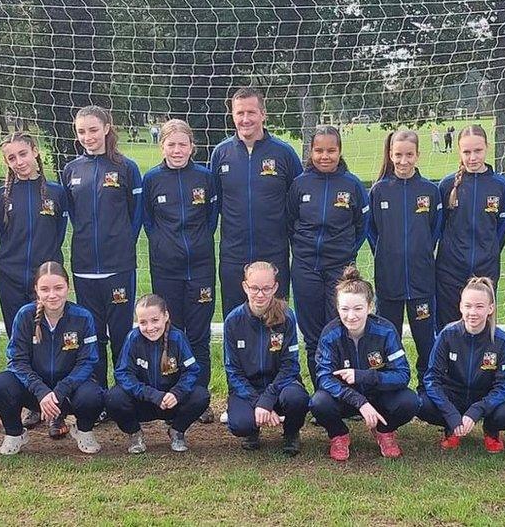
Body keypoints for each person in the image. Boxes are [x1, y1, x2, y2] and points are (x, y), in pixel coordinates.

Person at [142, 119, 219, 423]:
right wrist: (164, 244)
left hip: (200, 268)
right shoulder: (151, 180)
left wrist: (197, 244)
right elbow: (147, 221)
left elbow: (212, 218)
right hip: (166, 269)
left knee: (198, 336)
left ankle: (199, 398)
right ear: (162, 146)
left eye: (182, 144)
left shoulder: (206, 177)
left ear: (192, 147)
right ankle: (170, 393)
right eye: (170, 144)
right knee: (169, 333)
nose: (177, 150)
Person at [61, 106, 143, 387]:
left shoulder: (126, 168)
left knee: (121, 333)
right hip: (84, 268)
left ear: (107, 128)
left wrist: (118, 242)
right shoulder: (71, 170)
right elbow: (73, 214)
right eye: (81, 131)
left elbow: (137, 215)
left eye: (93, 130)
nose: (87, 137)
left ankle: (124, 392)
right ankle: (98, 394)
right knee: (94, 335)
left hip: (119, 266)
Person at [0, 261, 103, 455]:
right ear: (36, 290)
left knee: (93, 393)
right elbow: (17, 360)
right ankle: (15, 434)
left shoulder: (83, 317)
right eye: (45, 289)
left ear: (69, 287)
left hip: (67, 393)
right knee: (0, 384)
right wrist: (41, 390)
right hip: (35, 393)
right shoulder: (24, 315)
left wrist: (61, 389)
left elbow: (88, 361)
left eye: (58, 288)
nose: (52, 295)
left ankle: (83, 430)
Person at [211, 87, 303, 318]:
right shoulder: (221, 154)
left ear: (263, 114)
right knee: (236, 321)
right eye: (239, 113)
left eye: (251, 112)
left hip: (274, 252)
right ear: (232, 115)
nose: (245, 119)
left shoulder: (284, 153)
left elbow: (298, 203)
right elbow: (215, 203)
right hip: (233, 255)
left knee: (275, 322)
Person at [310, 266, 419, 461]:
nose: (351, 316)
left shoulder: (385, 330)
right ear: (337, 308)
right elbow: (323, 377)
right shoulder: (330, 334)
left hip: (379, 395)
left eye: (358, 308)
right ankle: (339, 434)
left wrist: (363, 375)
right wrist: (359, 401)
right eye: (345, 309)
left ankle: (384, 431)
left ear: (370, 307)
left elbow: (403, 375)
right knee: (319, 402)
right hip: (346, 399)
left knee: (410, 401)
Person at [287, 125, 370, 380]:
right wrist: (306, 250)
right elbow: (290, 224)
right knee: (312, 336)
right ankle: (322, 392)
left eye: (331, 150)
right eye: (319, 150)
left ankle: (343, 393)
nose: (325, 156)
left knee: (340, 331)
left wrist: (343, 254)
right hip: (305, 269)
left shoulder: (353, 185)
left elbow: (362, 227)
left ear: (340, 151)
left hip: (339, 271)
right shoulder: (299, 185)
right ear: (311, 152)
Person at [367, 130, 441, 381]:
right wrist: (389, 253)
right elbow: (371, 231)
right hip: (389, 279)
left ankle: (428, 384)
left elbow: (435, 229)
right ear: (390, 155)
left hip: (421, 281)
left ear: (418, 155)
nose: (403, 160)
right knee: (389, 335)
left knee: (425, 337)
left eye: (409, 155)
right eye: (398, 155)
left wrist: (419, 252)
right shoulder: (379, 191)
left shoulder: (430, 191)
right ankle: (391, 382)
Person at [418, 277, 505, 453]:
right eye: (468, 306)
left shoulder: (501, 339)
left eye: (479, 306)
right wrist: (450, 412)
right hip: (453, 397)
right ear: (460, 307)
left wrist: (477, 409)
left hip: (484, 398)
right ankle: (452, 428)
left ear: (490, 309)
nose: (472, 312)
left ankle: (491, 430)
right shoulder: (448, 335)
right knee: (421, 404)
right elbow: (431, 378)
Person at [104, 294, 211, 453]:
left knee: (201, 395)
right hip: (144, 401)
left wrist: (176, 393)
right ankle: (135, 433)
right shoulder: (133, 338)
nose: (150, 327)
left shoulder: (178, 337)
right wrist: (151, 394)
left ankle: (177, 430)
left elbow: (191, 371)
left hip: (171, 402)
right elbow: (123, 373)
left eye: (155, 320)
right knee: (113, 397)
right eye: (143, 322)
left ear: (166, 316)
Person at [223, 261, 308, 455]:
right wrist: (258, 402)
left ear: (275, 287)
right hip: (248, 388)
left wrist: (268, 399)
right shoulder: (233, 321)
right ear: (245, 286)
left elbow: (290, 366)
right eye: (254, 288)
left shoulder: (287, 316)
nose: (260, 294)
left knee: (297, 399)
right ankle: (251, 431)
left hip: (281, 386)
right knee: (240, 424)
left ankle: (292, 433)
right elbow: (233, 372)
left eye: (266, 288)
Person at [435, 125, 505, 331]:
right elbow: (438, 228)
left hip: (486, 268)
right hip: (450, 269)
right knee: (448, 327)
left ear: (487, 147)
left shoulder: (501, 186)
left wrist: (488, 250)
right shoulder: (446, 185)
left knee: (482, 325)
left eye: (477, 151)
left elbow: (502, 230)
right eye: (466, 152)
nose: (472, 157)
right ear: (459, 151)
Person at [0, 132, 68, 337]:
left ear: (35, 152)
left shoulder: (57, 193)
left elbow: (58, 231)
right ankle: (19, 370)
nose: (19, 161)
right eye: (12, 158)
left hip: (46, 277)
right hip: (10, 277)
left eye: (23, 154)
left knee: (46, 334)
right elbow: (3, 233)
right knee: (17, 335)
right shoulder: (0, 196)